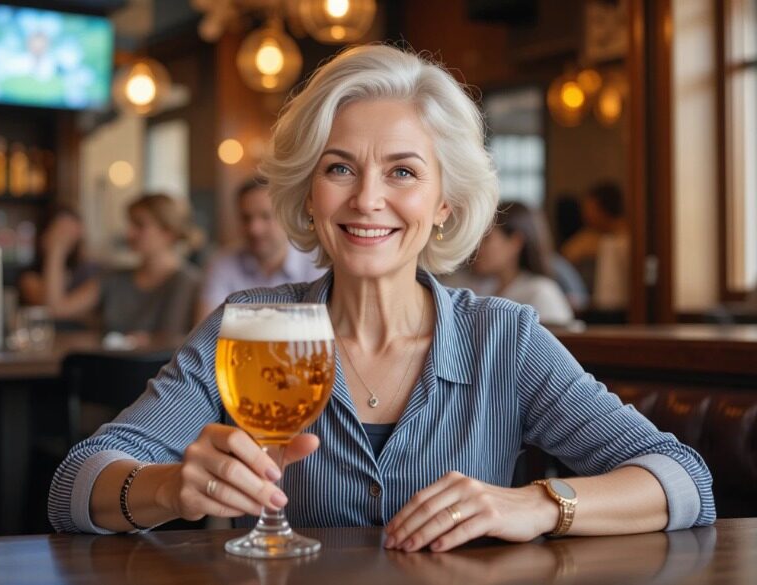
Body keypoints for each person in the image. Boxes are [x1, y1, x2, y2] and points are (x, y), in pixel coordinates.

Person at [49, 46, 713, 550]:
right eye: (340, 168)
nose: (368, 199)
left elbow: (683, 477)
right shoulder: (249, 329)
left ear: (444, 202)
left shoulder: (503, 338)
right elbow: (74, 483)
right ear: (309, 193)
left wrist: (537, 504)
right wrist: (169, 487)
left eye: (402, 171)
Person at [37, 193, 202, 340]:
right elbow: (56, 309)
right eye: (130, 224)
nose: (129, 233)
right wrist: (56, 250)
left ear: (168, 232)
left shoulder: (188, 282)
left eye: (139, 225)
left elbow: (188, 343)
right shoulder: (114, 278)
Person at [198, 177, 324, 320]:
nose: (254, 229)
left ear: (288, 217)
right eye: (246, 218)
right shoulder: (221, 264)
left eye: (266, 216)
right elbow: (205, 327)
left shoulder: (318, 264)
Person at [444, 202, 575, 325]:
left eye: (486, 239)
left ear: (515, 242)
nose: (477, 247)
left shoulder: (541, 293)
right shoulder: (479, 288)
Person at [19, 206, 99, 330]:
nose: (66, 237)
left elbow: (93, 314)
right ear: (44, 235)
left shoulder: (91, 273)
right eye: (61, 232)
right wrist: (56, 249)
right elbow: (50, 308)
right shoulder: (30, 276)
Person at [561, 181, 629, 310]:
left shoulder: (624, 239)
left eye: (588, 208)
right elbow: (568, 253)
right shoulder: (592, 236)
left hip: (618, 308)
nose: (584, 214)